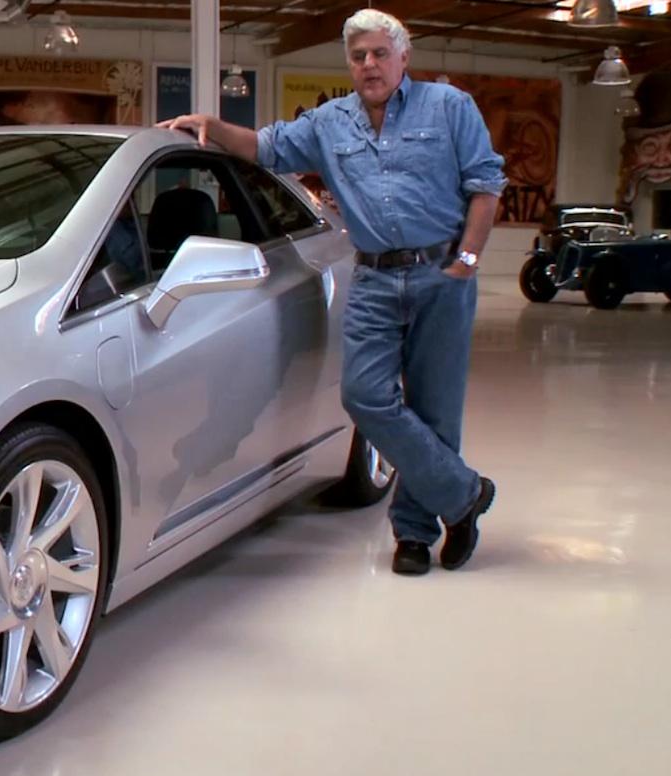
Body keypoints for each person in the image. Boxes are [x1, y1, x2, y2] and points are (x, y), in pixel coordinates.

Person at [157, 9, 503, 576]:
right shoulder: (328, 123)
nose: (369, 65)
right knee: (365, 396)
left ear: (403, 58)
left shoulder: (449, 108)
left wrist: (467, 259)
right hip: (373, 277)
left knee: (435, 408)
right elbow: (262, 148)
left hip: (441, 274)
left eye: (379, 54)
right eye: (359, 56)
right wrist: (211, 125)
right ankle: (464, 495)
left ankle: (414, 535)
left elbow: (486, 184)